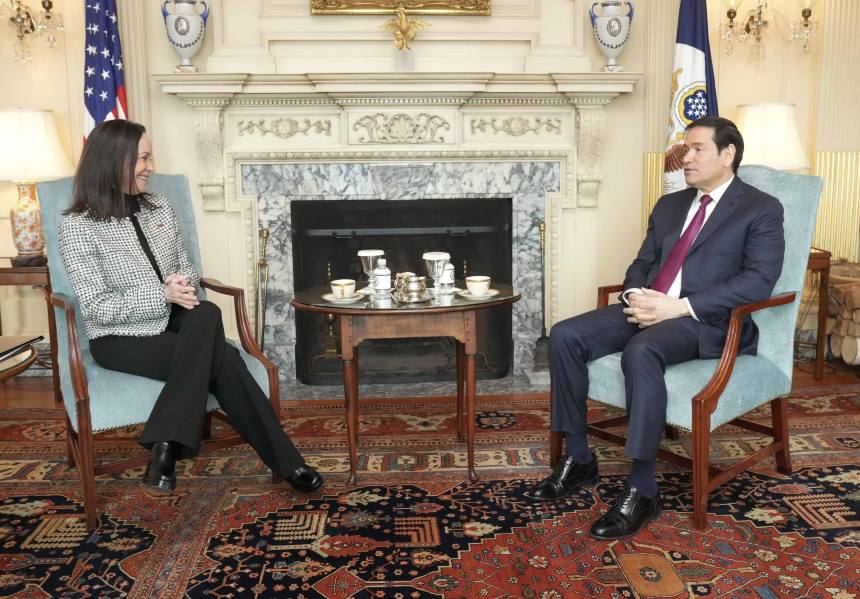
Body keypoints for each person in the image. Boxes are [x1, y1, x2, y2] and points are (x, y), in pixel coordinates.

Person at [528, 116, 785, 539]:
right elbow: (642, 263)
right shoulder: (669, 205)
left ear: (727, 154)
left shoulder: (760, 208)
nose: (686, 157)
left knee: (642, 350)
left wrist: (677, 307)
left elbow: (758, 281)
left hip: (707, 321)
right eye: (685, 148)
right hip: (650, 307)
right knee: (565, 334)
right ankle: (579, 457)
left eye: (698, 148)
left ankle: (642, 487)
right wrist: (635, 296)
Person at [59, 119, 323, 495]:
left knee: (207, 313)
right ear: (114, 160)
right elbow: (97, 307)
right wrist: (161, 295)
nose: (150, 167)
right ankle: (289, 464)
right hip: (121, 338)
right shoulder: (78, 226)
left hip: (179, 321)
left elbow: (186, 266)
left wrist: (179, 284)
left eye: (149, 157)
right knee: (224, 358)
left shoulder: (159, 207)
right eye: (143, 158)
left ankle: (165, 448)